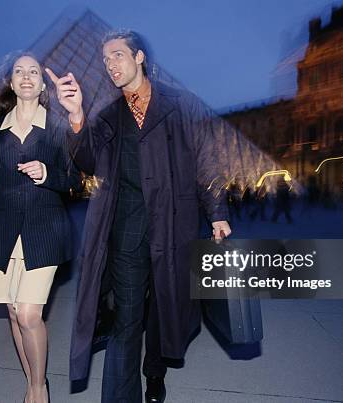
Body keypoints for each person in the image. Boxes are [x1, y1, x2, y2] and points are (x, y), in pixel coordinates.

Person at [46, 30, 231, 403]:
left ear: (140, 57)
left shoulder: (181, 104)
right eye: (105, 59)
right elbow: (88, 161)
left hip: (175, 228)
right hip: (126, 233)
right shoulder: (108, 115)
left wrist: (217, 213)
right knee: (126, 323)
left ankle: (155, 372)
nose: (110, 65)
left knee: (164, 312)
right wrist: (77, 116)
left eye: (117, 55)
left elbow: (207, 160)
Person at [0, 51, 77, 403]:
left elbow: (74, 178)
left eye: (34, 71)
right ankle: (30, 380)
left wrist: (47, 174)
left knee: (28, 313)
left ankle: (39, 389)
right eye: (19, 71)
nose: (27, 76)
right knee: (12, 311)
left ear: (42, 85)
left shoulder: (56, 127)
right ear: (12, 83)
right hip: (4, 231)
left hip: (45, 229)